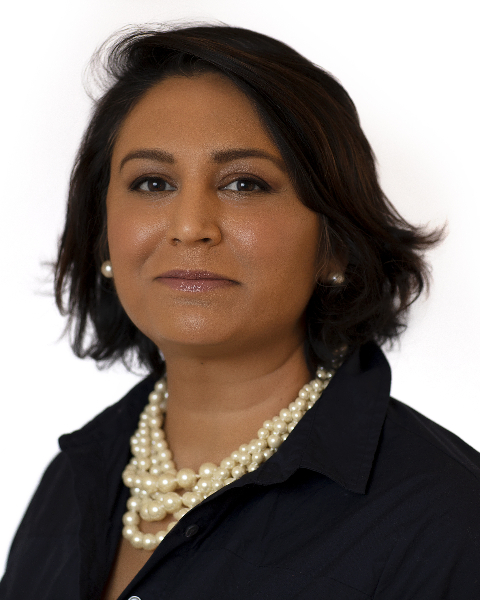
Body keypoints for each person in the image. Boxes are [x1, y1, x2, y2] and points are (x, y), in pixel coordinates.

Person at [1, 23, 479, 600]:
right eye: (152, 183)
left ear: (335, 243)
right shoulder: (72, 481)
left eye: (244, 184)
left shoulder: (445, 517)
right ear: (104, 235)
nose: (189, 227)